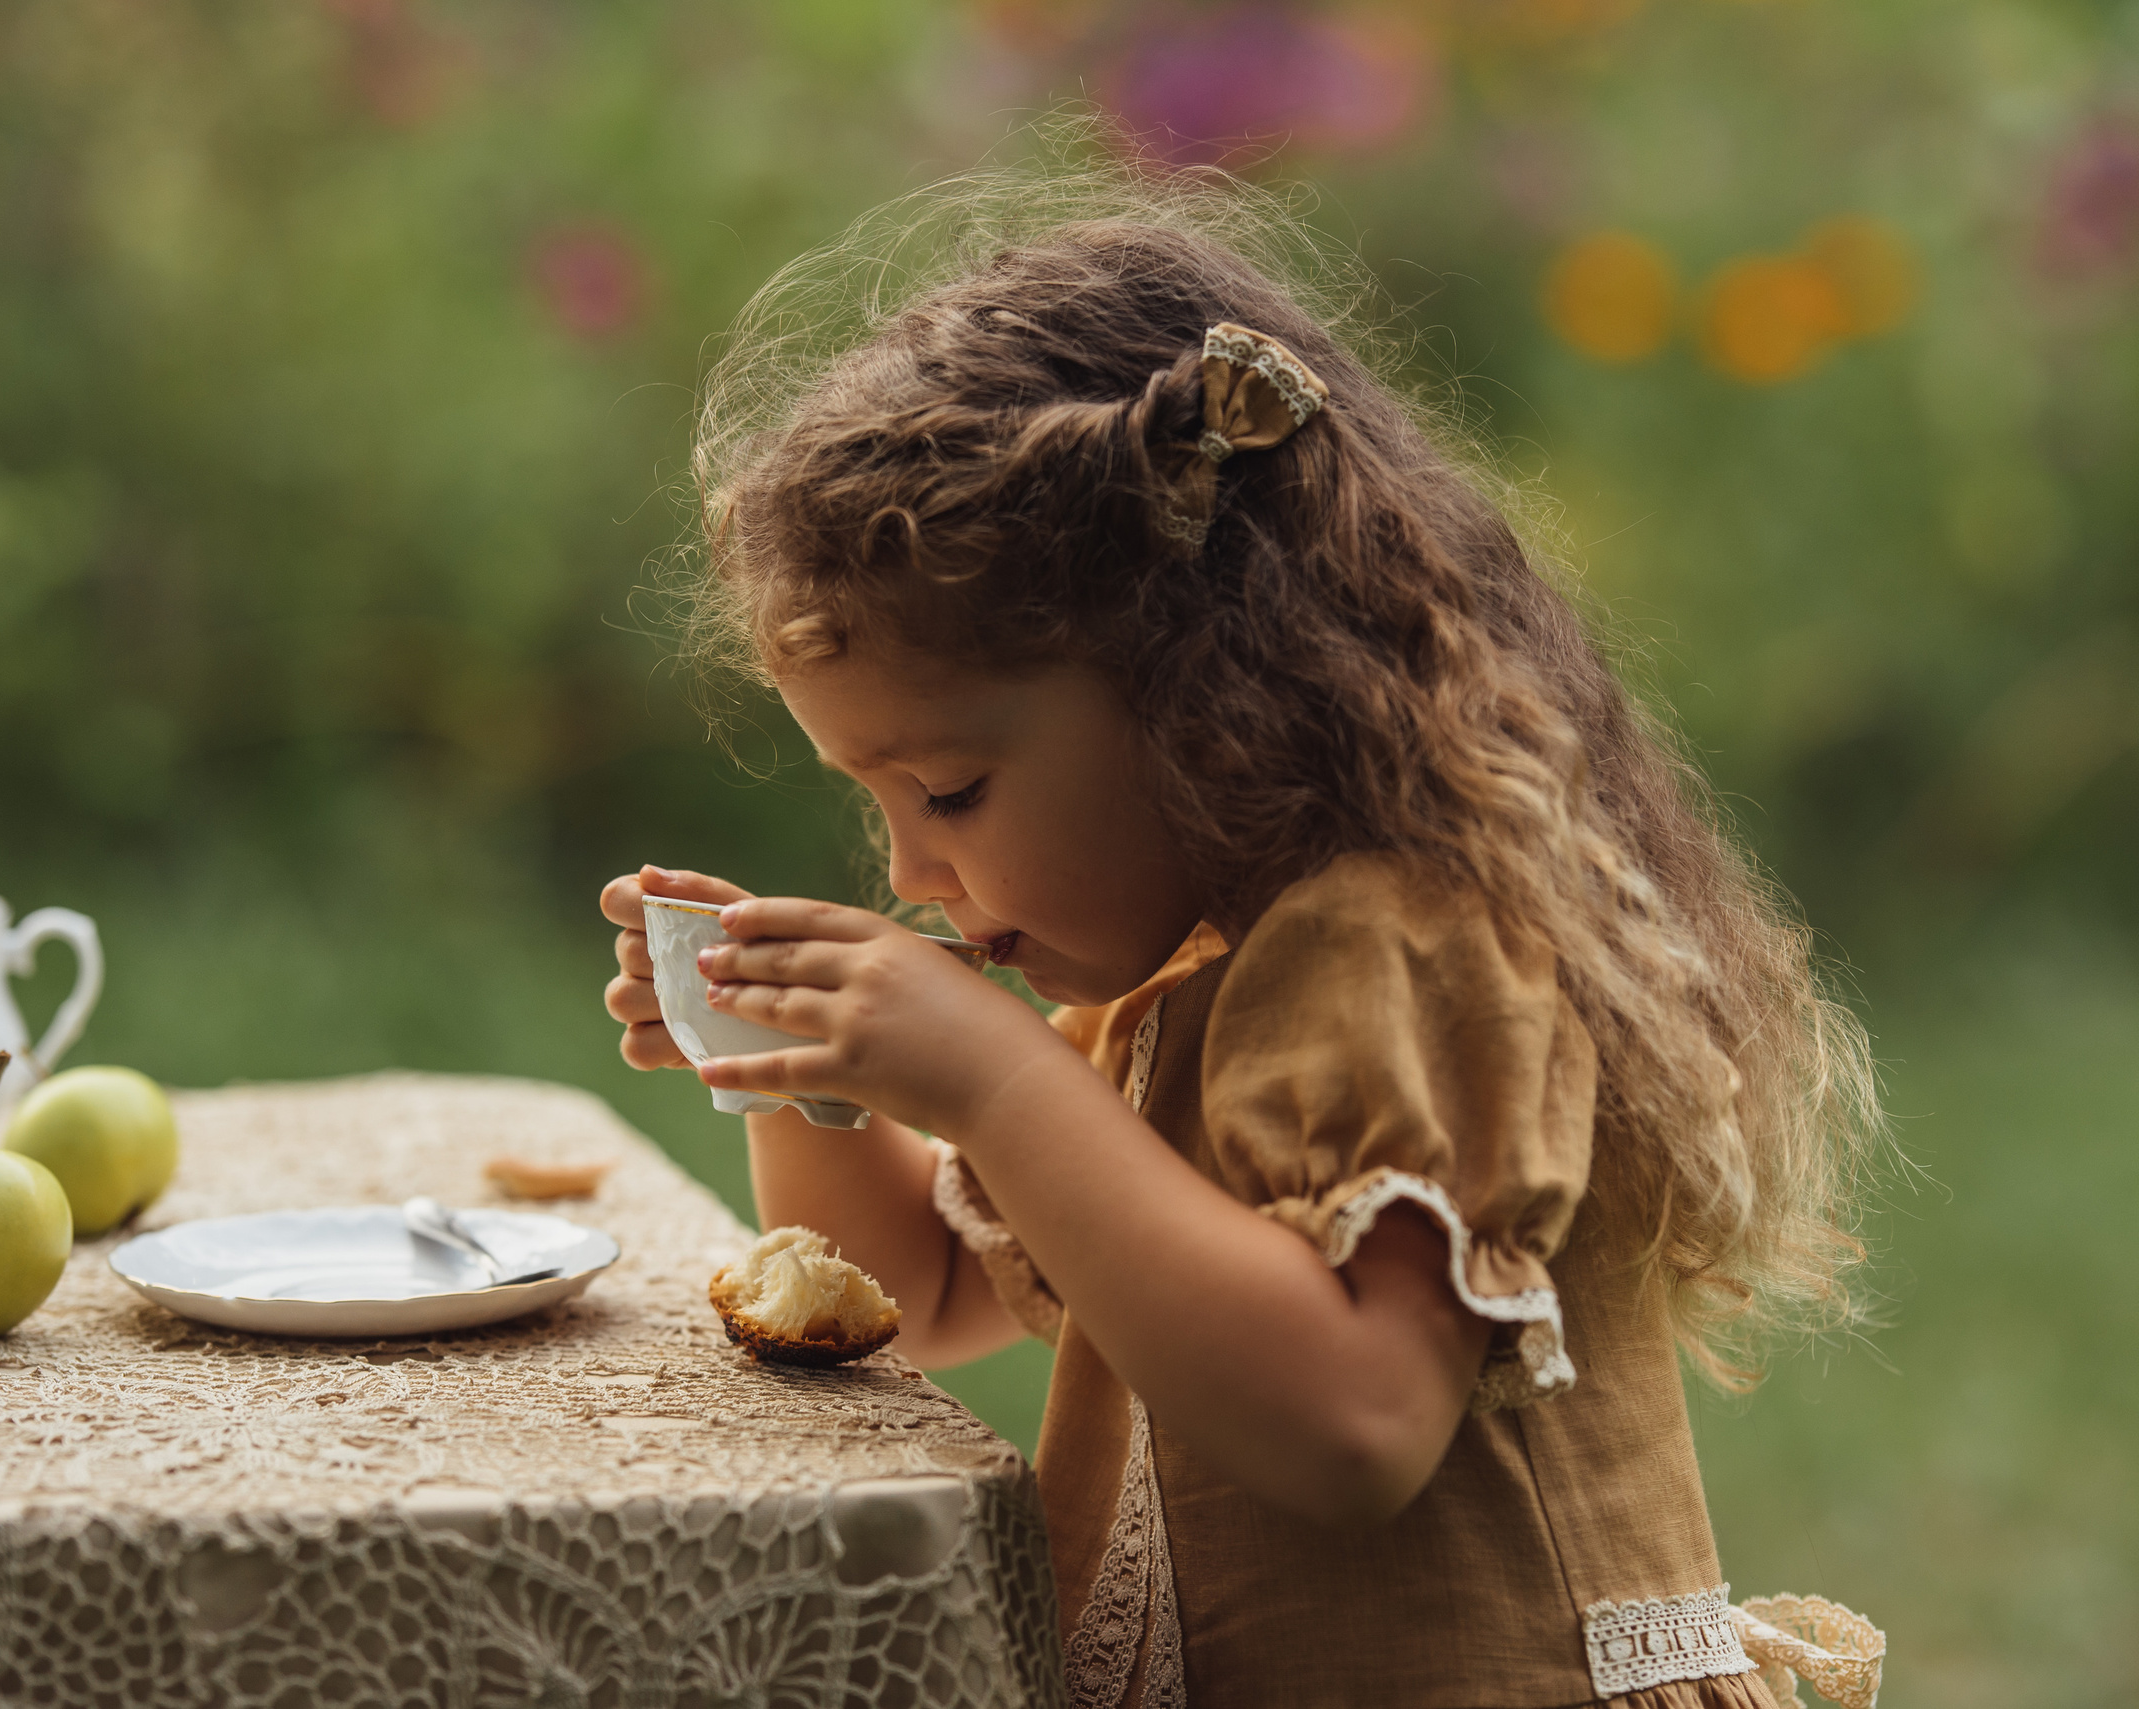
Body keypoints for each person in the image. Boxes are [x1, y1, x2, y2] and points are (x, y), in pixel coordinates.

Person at [601, 171, 1886, 1708]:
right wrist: (796, 1066)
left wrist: (1000, 1080)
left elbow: (1356, 1423)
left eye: (947, 788)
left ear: (1200, 685)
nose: (909, 868)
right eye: (874, 799)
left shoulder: (1401, 946)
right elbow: (925, 1288)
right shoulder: (1172, 989)